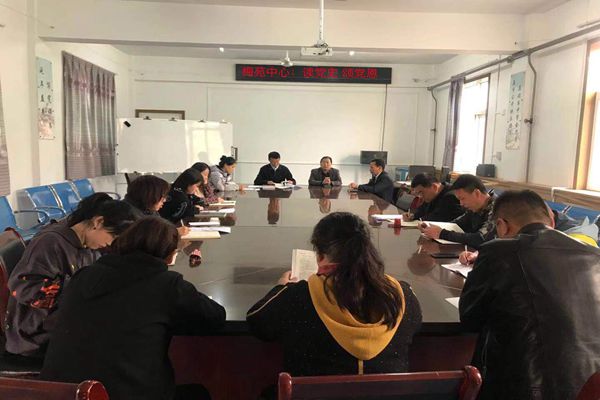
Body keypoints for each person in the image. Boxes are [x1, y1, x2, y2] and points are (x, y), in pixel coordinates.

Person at [41, 217, 226, 400]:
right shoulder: (167, 285)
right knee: (198, 394)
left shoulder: (83, 275)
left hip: (61, 392)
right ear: (170, 256)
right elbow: (215, 316)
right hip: (123, 393)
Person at [459, 190, 600, 400]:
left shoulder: (497, 251)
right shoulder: (594, 254)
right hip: (590, 385)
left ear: (501, 225)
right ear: (552, 219)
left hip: (530, 387)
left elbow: (470, 320)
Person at [247, 212, 422, 378]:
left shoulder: (298, 297)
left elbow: (257, 322)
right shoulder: (402, 296)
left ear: (320, 257)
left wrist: (281, 287)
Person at [5, 194, 139, 361]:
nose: (111, 244)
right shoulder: (51, 242)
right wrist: (77, 287)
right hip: (35, 331)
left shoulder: (88, 244)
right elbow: (23, 288)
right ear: (98, 222)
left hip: (65, 318)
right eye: (113, 237)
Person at [420, 174, 496, 248]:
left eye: (462, 198)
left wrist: (442, 234)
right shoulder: (474, 208)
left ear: (477, 193)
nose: (461, 204)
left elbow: (481, 238)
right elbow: (456, 224)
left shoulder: (497, 208)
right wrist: (429, 228)